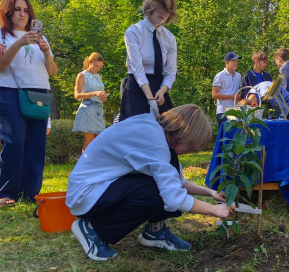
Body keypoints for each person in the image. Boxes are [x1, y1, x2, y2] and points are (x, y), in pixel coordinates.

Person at [66, 105, 235, 261]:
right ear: (182, 135)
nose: (188, 152)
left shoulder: (154, 130)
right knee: (157, 192)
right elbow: (173, 197)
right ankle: (92, 229)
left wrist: (210, 192)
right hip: (87, 194)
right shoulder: (155, 143)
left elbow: (177, 180)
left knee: (164, 183)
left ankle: (154, 232)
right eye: (190, 147)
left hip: (100, 187)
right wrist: (214, 210)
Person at [0, 0, 57, 206]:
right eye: (17, 9)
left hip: (39, 93)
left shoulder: (41, 37)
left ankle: (31, 193)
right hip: (10, 91)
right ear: (8, 11)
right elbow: (1, 66)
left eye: (25, 10)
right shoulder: (2, 35)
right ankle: (7, 193)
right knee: (14, 141)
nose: (22, 14)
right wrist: (19, 43)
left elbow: (52, 71)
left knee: (36, 144)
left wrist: (47, 53)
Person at [119, 0, 178, 121]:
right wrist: (150, 99)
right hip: (137, 88)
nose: (163, 13)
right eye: (160, 7)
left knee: (169, 133)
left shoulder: (170, 38)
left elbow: (171, 72)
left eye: (168, 10)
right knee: (134, 134)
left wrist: (162, 92)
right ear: (150, 5)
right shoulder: (133, 32)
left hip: (159, 90)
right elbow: (137, 68)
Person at [72, 52, 107, 153]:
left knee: (99, 141)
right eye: (96, 66)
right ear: (90, 62)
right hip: (87, 109)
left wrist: (103, 97)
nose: (98, 68)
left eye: (100, 66)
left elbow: (98, 94)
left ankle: (94, 166)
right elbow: (77, 95)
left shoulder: (98, 76)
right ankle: (84, 167)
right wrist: (95, 93)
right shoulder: (82, 75)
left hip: (99, 110)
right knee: (89, 142)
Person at [212, 51, 242, 127]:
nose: (236, 63)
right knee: (225, 137)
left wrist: (239, 97)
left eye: (237, 61)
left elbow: (239, 91)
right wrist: (232, 97)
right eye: (233, 61)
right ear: (226, 62)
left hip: (236, 111)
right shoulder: (219, 76)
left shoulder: (238, 76)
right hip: (223, 111)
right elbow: (214, 95)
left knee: (235, 135)